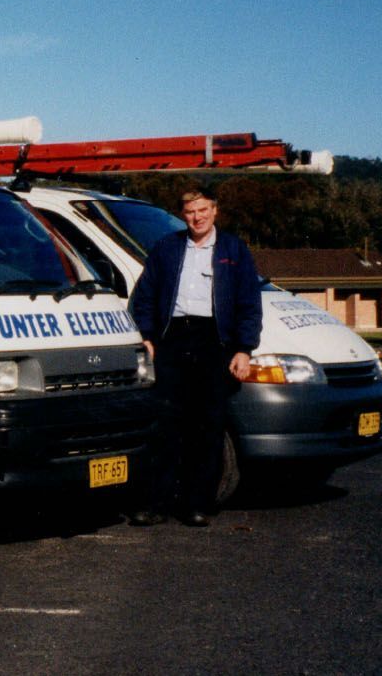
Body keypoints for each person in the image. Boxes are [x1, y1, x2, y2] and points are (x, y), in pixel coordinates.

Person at [127, 187, 262, 528]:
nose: (197, 217)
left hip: (214, 343)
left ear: (215, 211)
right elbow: (143, 296)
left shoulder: (233, 250)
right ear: (183, 215)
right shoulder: (167, 248)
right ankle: (156, 504)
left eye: (203, 210)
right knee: (165, 427)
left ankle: (196, 505)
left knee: (208, 427)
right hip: (173, 341)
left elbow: (249, 304)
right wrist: (148, 336)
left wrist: (244, 349)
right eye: (190, 212)